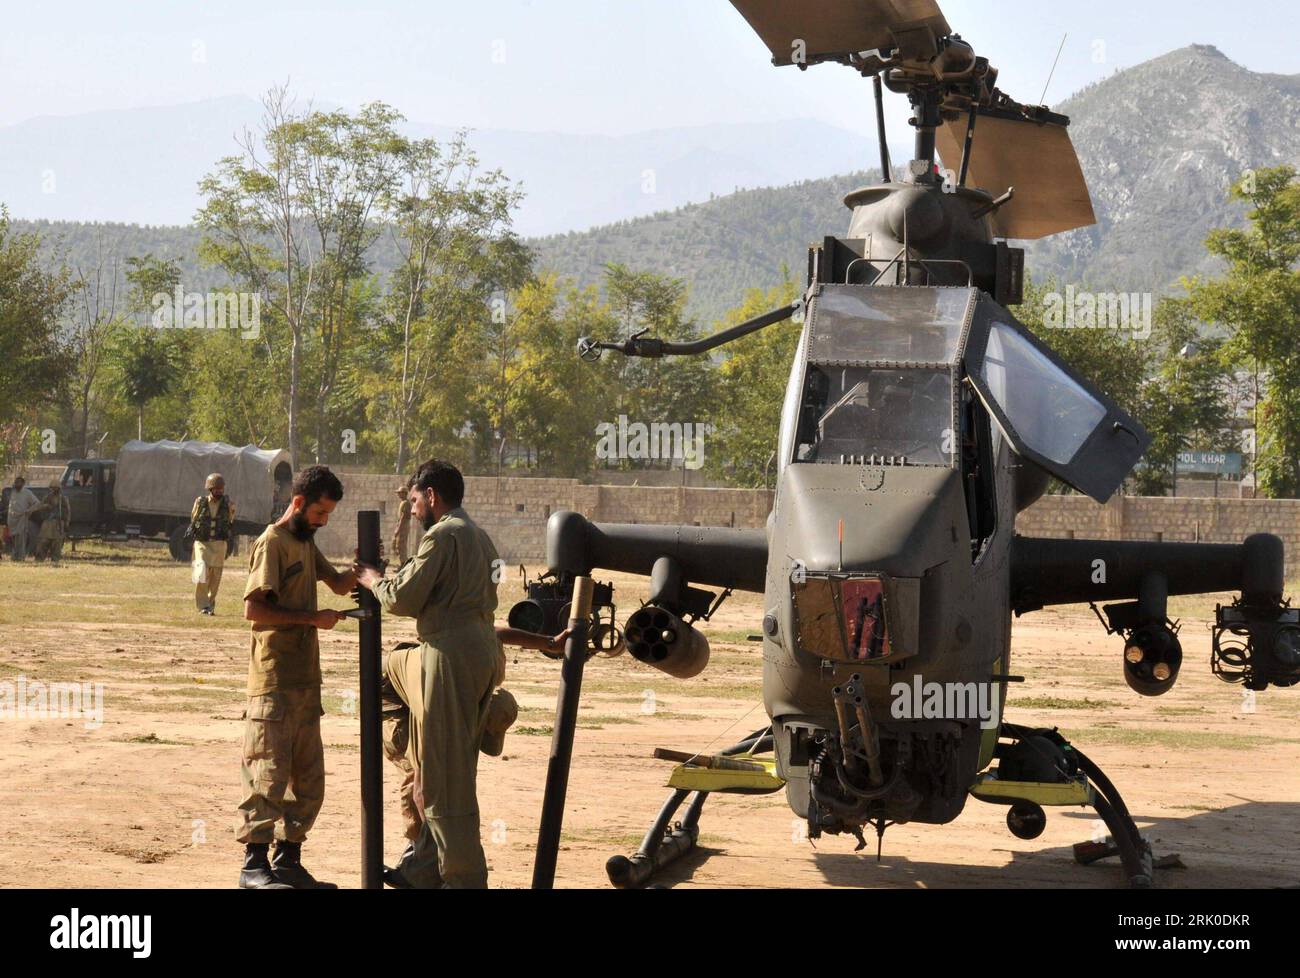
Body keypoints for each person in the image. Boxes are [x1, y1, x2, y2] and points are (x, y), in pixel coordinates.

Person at [354, 459, 503, 889]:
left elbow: (401, 598)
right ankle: (421, 868)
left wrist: (374, 579)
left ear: (432, 496)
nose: (414, 509)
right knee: (392, 674)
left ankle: (463, 879)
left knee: (443, 791)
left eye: (416, 500)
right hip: (478, 652)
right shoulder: (480, 536)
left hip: (448, 657)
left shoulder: (443, 535)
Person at [235, 465, 358, 890]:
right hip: (274, 681)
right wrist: (312, 618)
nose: (324, 522)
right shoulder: (273, 542)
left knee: (309, 779)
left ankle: (288, 860)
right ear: (300, 503)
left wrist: (365, 570)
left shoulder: (306, 542)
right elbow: (254, 610)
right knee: (268, 773)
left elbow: (339, 585)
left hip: (306, 682)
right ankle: (254, 866)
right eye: (321, 513)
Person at [379, 625, 569, 881]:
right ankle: (416, 864)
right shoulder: (439, 701)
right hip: (393, 703)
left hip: (432, 688)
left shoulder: (480, 649)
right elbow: (425, 790)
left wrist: (549, 642)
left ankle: (426, 860)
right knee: (422, 777)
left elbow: (498, 631)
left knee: (451, 779)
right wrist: (444, 837)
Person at [191, 473, 236, 615]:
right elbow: (194, 518)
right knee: (201, 572)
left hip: (219, 544)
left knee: (216, 576)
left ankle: (210, 605)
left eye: (221, 489)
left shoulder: (228, 504)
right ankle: (202, 606)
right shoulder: (200, 502)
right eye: (216, 489)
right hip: (202, 543)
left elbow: (230, 520)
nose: (219, 492)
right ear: (210, 489)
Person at [33, 480, 71, 564]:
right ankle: (39, 560)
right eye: (52, 488)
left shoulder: (63, 499)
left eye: (55, 488)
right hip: (47, 524)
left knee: (57, 544)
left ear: (59, 488)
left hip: (58, 524)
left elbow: (67, 512)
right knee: (43, 542)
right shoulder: (47, 498)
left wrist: (67, 523)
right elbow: (40, 507)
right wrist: (46, 507)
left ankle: (55, 561)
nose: (53, 490)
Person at [6, 477, 40, 562]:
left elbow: (37, 503)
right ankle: (14, 557)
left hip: (21, 518)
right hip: (12, 519)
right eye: (16, 482)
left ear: (23, 484)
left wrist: (29, 510)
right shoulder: (12, 492)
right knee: (13, 539)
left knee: (21, 538)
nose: (16, 484)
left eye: (18, 483)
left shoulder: (27, 493)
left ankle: (20, 557)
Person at [391, 484, 412, 564]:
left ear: (404, 493)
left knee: (401, 545)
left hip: (403, 526)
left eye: (400, 493)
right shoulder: (403, 502)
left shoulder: (406, 503)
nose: (398, 494)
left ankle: (403, 564)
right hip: (401, 525)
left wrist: (398, 529)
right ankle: (402, 563)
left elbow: (403, 517)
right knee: (398, 545)